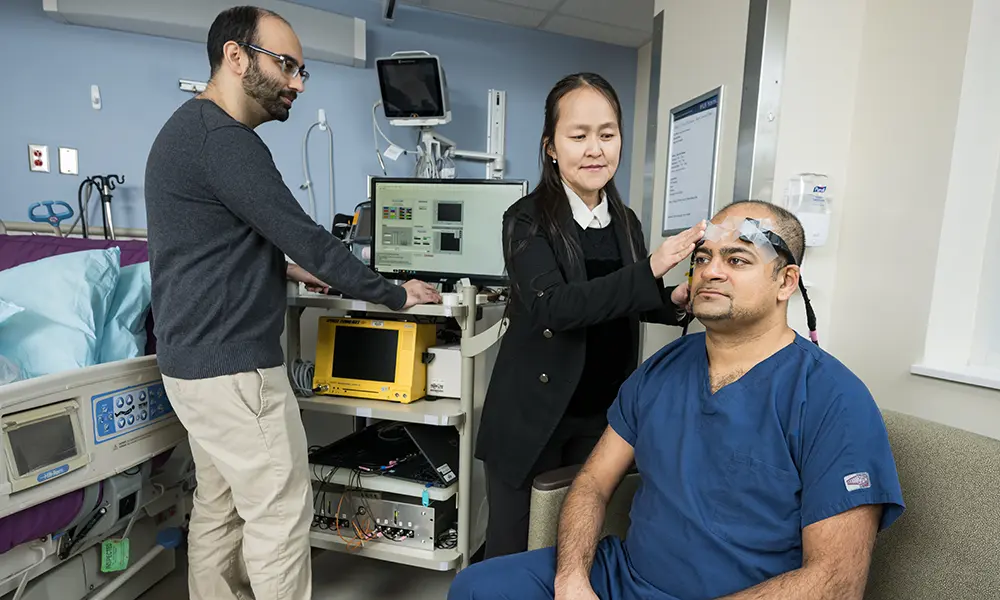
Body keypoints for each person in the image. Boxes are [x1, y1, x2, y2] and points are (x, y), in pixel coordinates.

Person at [451, 200, 906, 600]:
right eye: (703, 256)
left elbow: (835, 582)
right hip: (622, 577)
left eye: (738, 259)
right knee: (477, 586)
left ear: (786, 282)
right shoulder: (665, 366)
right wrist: (573, 582)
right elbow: (591, 483)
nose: (710, 270)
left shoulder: (834, 400)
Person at [144, 6, 440, 600]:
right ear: (236, 56)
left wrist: (289, 268)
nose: (298, 83)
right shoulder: (228, 143)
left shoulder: (185, 132)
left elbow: (216, 249)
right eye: (286, 66)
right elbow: (309, 238)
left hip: (189, 366)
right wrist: (393, 292)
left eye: (303, 71)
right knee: (278, 517)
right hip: (233, 371)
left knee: (220, 506)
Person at [475, 72, 706, 559]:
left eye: (607, 134)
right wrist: (651, 269)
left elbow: (632, 298)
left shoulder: (625, 220)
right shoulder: (525, 219)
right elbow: (554, 306)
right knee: (514, 554)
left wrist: (676, 299)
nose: (595, 149)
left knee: (578, 548)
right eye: (578, 136)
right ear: (551, 147)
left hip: (602, 416)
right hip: (533, 417)